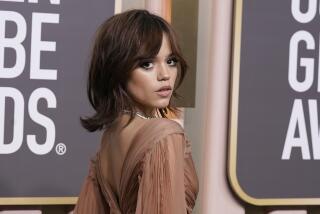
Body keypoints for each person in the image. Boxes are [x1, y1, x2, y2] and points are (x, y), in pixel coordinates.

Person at [74, 9, 199, 214]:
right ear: (117, 69)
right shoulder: (163, 135)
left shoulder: (111, 136)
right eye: (147, 64)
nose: (165, 75)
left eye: (171, 61)